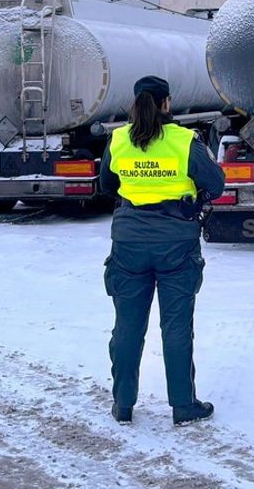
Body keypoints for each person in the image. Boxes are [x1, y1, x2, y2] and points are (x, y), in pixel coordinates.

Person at [99, 75, 225, 426]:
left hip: (128, 244)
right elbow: (216, 184)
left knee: (127, 326)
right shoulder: (185, 141)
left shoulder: (119, 140)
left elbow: (106, 185)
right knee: (176, 327)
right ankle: (183, 406)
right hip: (177, 245)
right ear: (167, 103)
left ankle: (123, 403)